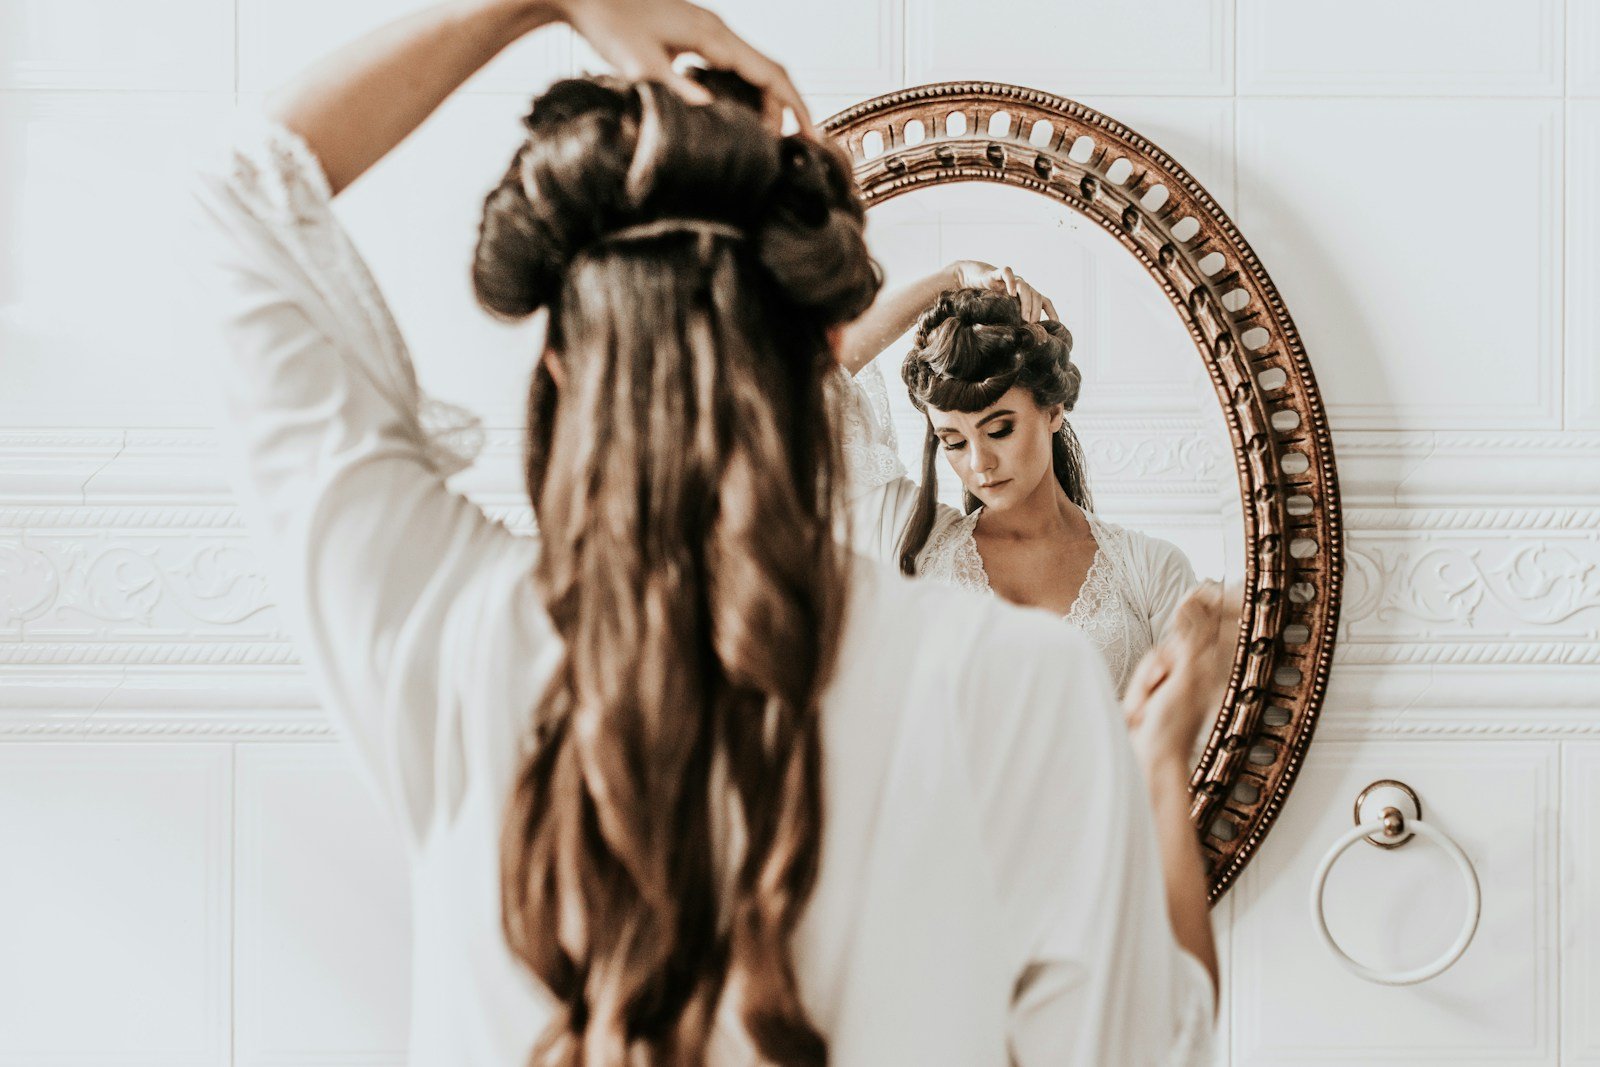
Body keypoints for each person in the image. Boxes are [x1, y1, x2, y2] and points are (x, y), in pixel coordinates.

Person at [183, 0, 1221, 1062]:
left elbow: (240, 191)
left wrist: (534, 2)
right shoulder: (1019, 683)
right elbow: (1150, 1051)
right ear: (824, 355)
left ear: (558, 368)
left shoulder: (452, 632)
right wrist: (1153, 769)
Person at [835, 268, 1202, 696]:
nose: (979, 463)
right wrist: (954, 275)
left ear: (1053, 410)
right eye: (953, 442)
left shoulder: (1152, 570)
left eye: (1000, 431)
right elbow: (810, 379)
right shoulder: (913, 542)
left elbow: (1191, 744)